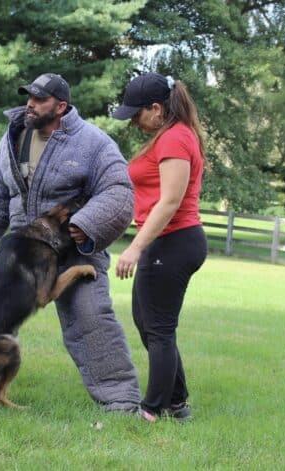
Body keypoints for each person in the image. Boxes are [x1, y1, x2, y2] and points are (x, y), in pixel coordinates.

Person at [0, 73, 140, 412]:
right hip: (21, 253)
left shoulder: (94, 143)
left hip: (74, 247)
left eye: (39, 99)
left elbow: (119, 191)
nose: (30, 104)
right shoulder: (14, 136)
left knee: (91, 319)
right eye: (29, 97)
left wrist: (86, 222)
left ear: (62, 106)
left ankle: (121, 404)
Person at [112, 72, 208, 422]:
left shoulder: (174, 140)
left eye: (137, 114)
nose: (134, 122)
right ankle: (177, 403)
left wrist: (134, 248)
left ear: (156, 108)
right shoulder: (169, 136)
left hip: (174, 241)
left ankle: (152, 410)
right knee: (148, 322)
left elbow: (169, 202)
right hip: (168, 241)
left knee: (159, 329)